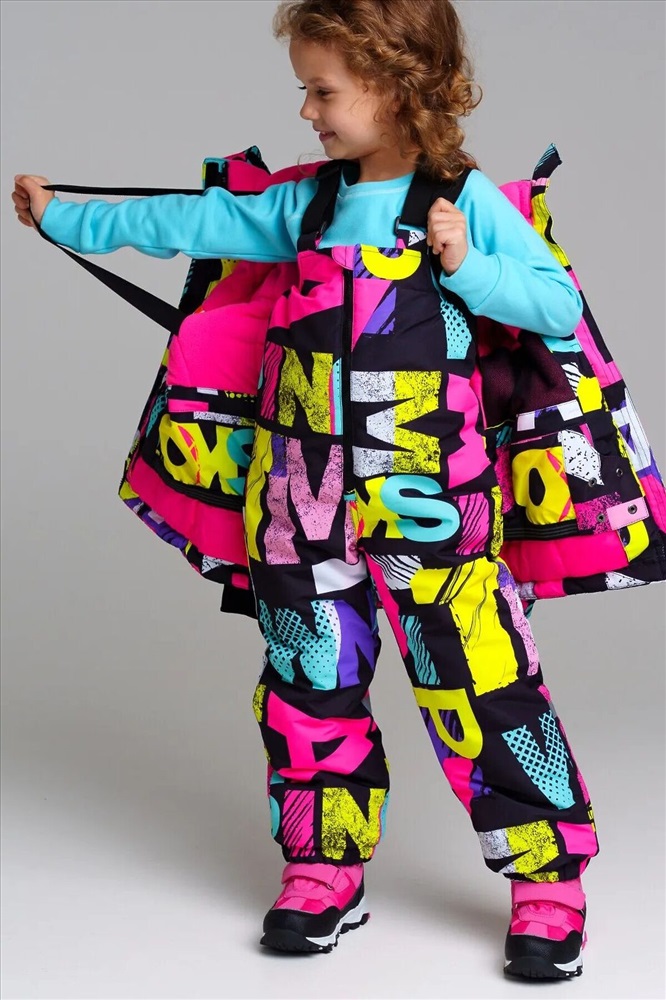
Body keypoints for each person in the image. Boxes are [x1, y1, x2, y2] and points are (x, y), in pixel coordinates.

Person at [13, 0, 598, 980]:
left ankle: (549, 881)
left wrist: (469, 266)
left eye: (322, 91)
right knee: (307, 685)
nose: (306, 111)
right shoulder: (308, 206)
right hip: (301, 506)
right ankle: (322, 866)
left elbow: (556, 303)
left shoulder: (458, 200)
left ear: (398, 86)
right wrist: (65, 212)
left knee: (483, 683)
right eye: (305, 90)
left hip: (431, 508)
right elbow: (187, 220)